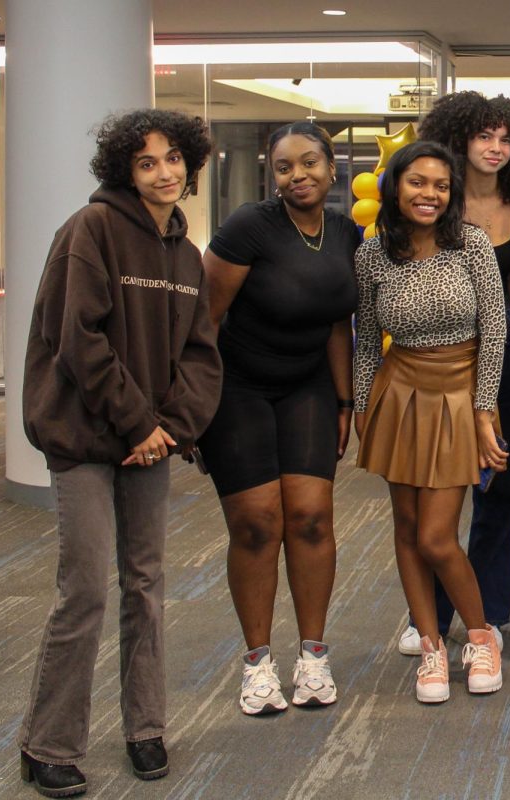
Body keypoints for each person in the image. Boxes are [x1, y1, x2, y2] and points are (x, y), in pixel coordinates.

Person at [18, 109, 220, 796]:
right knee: (84, 591)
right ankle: (47, 744)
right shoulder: (92, 230)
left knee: (146, 586)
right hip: (84, 440)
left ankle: (145, 727)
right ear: (122, 171)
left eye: (173, 160)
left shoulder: (185, 254)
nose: (165, 173)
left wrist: (171, 427)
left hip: (150, 444)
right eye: (146, 162)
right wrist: (138, 423)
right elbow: (76, 338)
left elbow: (201, 353)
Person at [200, 122, 360, 716]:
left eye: (310, 162)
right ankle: (258, 663)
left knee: (313, 517)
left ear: (331, 166)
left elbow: (339, 324)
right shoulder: (249, 226)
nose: (299, 176)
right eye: (286, 167)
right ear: (274, 176)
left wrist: (345, 402)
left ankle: (313, 656)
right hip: (236, 387)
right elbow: (204, 320)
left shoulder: (347, 233)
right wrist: (191, 406)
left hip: (308, 387)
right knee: (257, 523)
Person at [353, 140, 507, 703]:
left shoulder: (471, 244)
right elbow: (367, 340)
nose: (430, 194)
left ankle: (481, 636)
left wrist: (485, 408)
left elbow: (495, 331)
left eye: (441, 186)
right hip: (398, 391)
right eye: (419, 182)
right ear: (395, 186)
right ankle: (431, 645)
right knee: (405, 528)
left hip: (459, 388)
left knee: (436, 536)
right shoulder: (373, 254)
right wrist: (362, 408)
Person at [394, 92, 510, 656]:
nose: (495, 149)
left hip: (501, 350)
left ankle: (489, 612)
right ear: (460, 139)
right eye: (484, 137)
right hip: (437, 357)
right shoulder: (436, 199)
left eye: (506, 140)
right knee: (434, 489)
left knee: (498, 488)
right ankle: (426, 614)